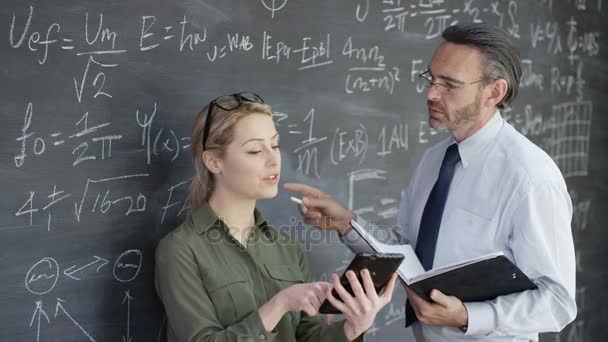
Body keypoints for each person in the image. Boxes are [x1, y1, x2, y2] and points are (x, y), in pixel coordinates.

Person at [285, 23, 577, 341]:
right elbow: (406, 252)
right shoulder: (435, 161)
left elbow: (558, 303)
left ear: (494, 92)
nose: (431, 93)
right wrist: (346, 224)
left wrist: (469, 316)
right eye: (431, 78)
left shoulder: (530, 178)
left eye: (449, 84)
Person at [155, 92, 398, 342]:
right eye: (254, 150)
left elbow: (307, 336)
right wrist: (279, 304)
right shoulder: (180, 250)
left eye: (274, 145)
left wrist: (352, 328)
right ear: (215, 162)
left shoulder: (287, 248)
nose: (273, 160)